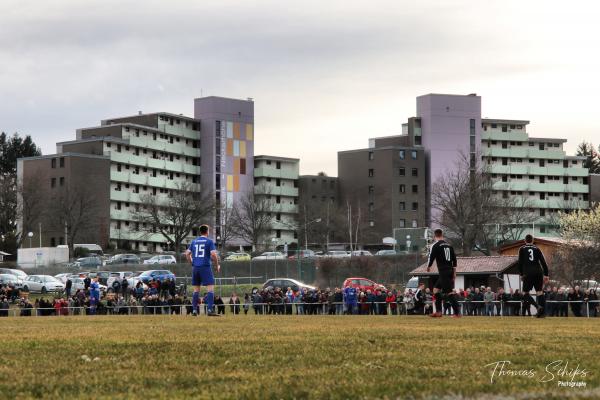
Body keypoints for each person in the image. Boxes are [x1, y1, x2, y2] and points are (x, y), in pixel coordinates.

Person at [186, 224, 220, 317]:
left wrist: (192, 262)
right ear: (207, 231)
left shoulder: (194, 241)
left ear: (200, 232)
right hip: (205, 267)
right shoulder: (209, 242)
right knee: (210, 288)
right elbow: (213, 255)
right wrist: (217, 265)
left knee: (196, 290)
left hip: (195, 268)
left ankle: (194, 311)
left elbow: (187, 253)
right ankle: (209, 310)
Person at [426, 229, 460, 318]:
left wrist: (428, 266)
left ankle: (457, 313)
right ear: (442, 235)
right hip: (449, 271)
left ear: (435, 236)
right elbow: (454, 260)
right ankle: (438, 312)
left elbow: (431, 257)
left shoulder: (435, 245)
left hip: (443, 271)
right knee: (435, 290)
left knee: (449, 292)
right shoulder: (449, 245)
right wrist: (454, 272)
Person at [518, 234, 549, 318]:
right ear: (532, 240)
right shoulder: (537, 248)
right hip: (538, 272)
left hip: (528, 273)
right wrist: (546, 274)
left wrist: (521, 274)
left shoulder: (522, 249)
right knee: (539, 292)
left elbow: (520, 263)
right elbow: (543, 262)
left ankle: (537, 306)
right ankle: (542, 314)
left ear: (525, 241)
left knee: (525, 293)